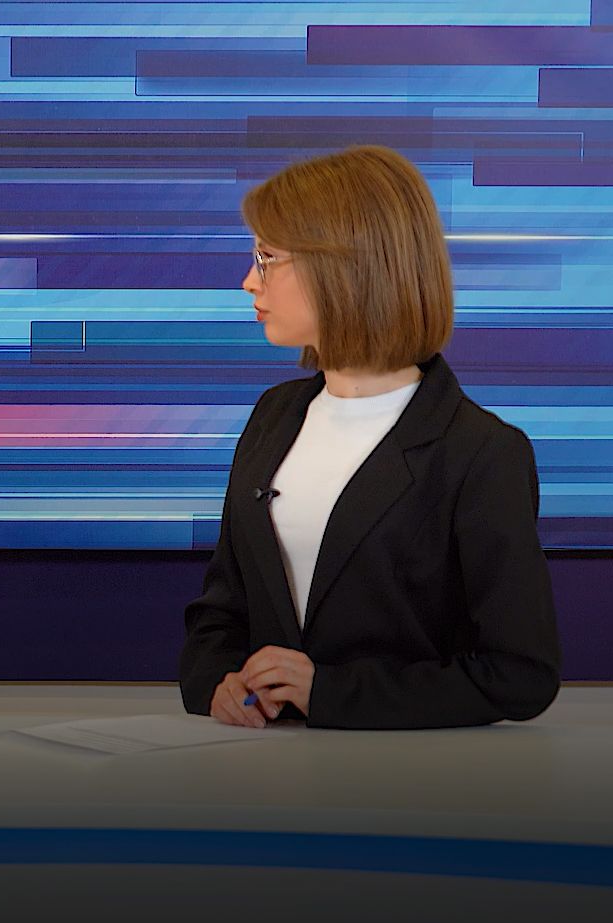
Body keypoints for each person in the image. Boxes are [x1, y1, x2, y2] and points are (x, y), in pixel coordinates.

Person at [179, 145, 560, 730]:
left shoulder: (481, 453)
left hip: (409, 774)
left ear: (346, 265)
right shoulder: (273, 417)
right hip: (259, 764)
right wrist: (218, 682)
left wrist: (333, 693)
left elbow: (519, 674)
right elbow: (223, 610)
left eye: (267, 257)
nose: (249, 281)